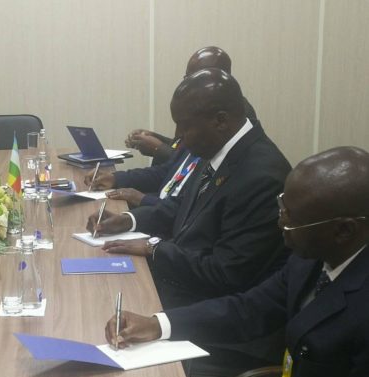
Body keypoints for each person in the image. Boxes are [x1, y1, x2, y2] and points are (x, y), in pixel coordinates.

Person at [105, 147, 369, 377]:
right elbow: (249, 309)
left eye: (292, 220)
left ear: (343, 230)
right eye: (282, 207)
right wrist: (158, 324)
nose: (280, 222)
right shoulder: (311, 258)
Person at [87, 68, 291, 309]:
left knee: (96, 305)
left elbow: (227, 273)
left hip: (205, 306)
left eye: (184, 127)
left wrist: (155, 250)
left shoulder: (261, 177)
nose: (180, 139)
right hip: (180, 277)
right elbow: (183, 206)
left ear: (220, 121)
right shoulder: (219, 146)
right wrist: (128, 220)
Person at [87, 47, 258, 208]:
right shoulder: (199, 112)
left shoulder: (233, 119)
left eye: (196, 77)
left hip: (172, 209)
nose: (189, 84)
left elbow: (194, 171)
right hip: (166, 200)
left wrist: (158, 148)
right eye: (187, 77)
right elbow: (181, 159)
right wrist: (117, 178)